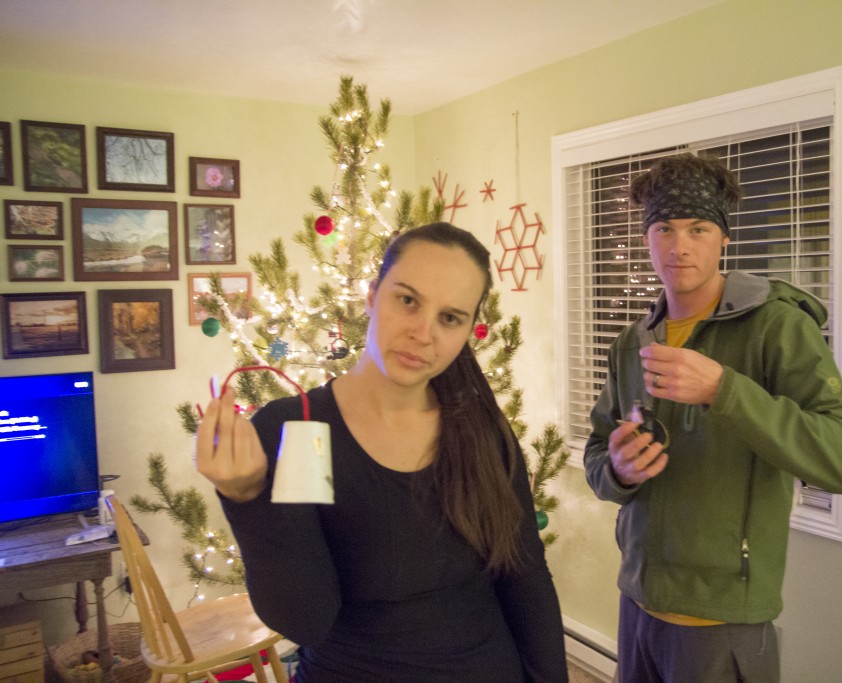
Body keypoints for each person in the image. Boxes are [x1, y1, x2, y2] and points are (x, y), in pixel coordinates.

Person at [196, 222, 568, 682]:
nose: (422, 333)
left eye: (449, 318)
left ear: (468, 330)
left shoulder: (480, 430)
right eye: (407, 300)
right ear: (373, 296)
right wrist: (246, 496)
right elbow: (304, 620)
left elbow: (525, 577)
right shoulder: (293, 429)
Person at [584, 153, 842, 682]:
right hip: (638, 601)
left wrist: (725, 390)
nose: (679, 245)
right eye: (664, 228)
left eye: (698, 228)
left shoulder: (777, 328)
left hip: (723, 621)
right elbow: (597, 455)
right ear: (647, 238)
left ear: (724, 238)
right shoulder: (632, 342)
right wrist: (619, 472)